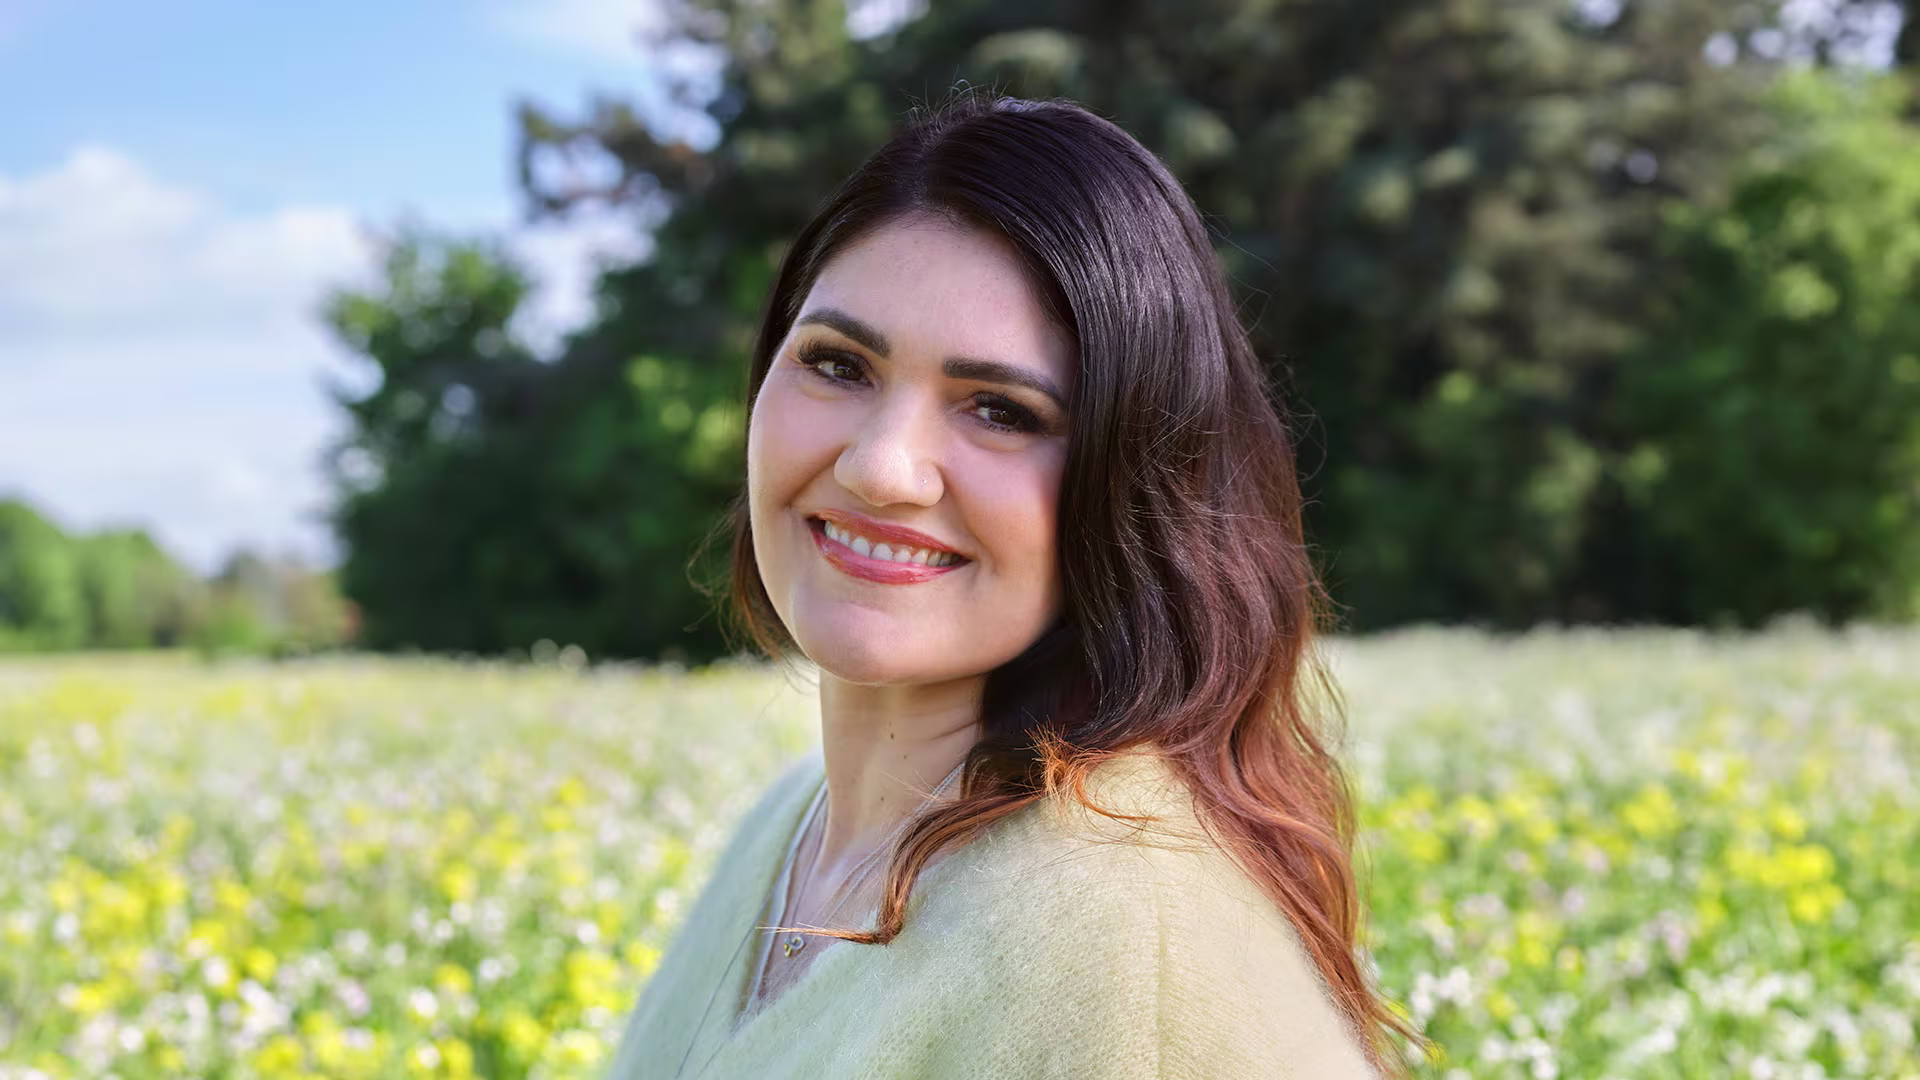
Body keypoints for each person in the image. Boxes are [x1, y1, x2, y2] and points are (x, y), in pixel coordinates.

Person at [604, 92, 1417, 1079]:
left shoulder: (1122, 944)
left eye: (1000, 409)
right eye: (839, 364)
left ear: (1133, 487)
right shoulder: (787, 831)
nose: (881, 469)